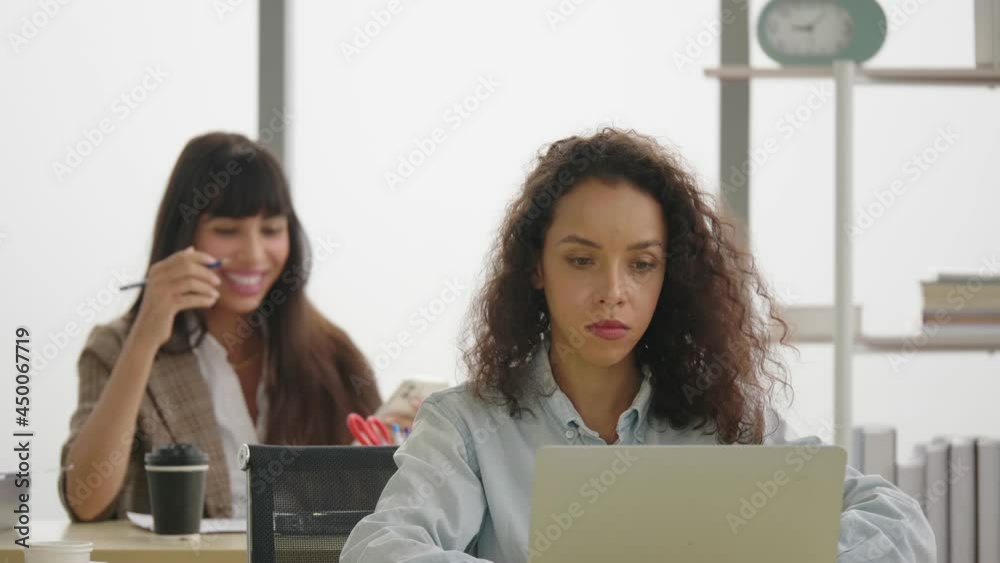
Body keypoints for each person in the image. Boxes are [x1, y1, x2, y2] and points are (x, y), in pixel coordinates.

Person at [341, 129, 934, 562]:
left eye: (642, 264)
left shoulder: (726, 417)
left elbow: (898, 523)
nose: (613, 293)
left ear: (669, 275)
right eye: (581, 260)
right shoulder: (468, 425)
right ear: (536, 268)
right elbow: (379, 549)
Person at [59, 132, 397, 521]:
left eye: (271, 230)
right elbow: (85, 501)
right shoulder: (116, 347)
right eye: (226, 230)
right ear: (183, 235)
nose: (253, 254)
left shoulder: (333, 352)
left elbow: (382, 510)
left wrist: (409, 450)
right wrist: (145, 339)